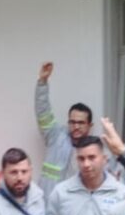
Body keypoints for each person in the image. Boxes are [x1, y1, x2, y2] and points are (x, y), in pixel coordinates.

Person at [34, 61, 98, 200]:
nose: (76, 126)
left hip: (75, 211)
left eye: (81, 123)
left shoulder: (95, 151)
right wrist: (42, 83)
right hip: (48, 207)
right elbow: (43, 112)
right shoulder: (55, 136)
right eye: (73, 122)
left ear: (90, 126)